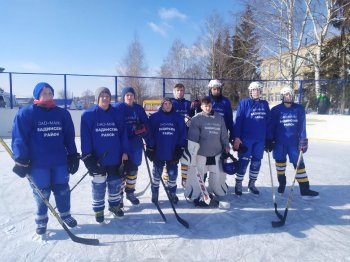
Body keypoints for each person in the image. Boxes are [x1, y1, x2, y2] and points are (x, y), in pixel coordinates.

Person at [11, 82, 80, 235]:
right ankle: (41, 220)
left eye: (50, 93)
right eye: (44, 93)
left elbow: (69, 137)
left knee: (62, 189)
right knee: (42, 193)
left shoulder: (62, 114)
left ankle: (65, 215)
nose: (48, 96)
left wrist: (73, 155)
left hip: (59, 161)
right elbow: (19, 138)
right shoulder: (26, 113)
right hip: (38, 164)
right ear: (37, 95)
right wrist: (21, 159)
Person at [81, 87, 129, 223]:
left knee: (115, 183)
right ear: (97, 98)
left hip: (115, 156)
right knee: (99, 184)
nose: (105, 98)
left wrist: (125, 151)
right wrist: (88, 157)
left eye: (107, 95)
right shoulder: (88, 115)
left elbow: (123, 134)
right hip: (98, 159)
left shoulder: (117, 114)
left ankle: (114, 206)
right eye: (102, 95)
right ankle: (99, 210)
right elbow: (85, 138)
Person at [267, 86, 319, 199]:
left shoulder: (299, 109)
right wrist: (269, 139)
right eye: (286, 94)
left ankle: (305, 190)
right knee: (280, 167)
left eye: (290, 94)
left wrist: (303, 140)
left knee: (300, 166)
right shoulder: (275, 110)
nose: (289, 96)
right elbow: (271, 126)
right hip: (279, 143)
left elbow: (302, 127)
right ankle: (281, 185)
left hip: (294, 144)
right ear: (282, 96)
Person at [183, 97, 230, 207]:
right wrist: (192, 153)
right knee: (197, 176)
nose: (207, 108)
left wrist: (226, 145)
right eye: (205, 106)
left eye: (209, 106)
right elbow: (193, 137)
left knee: (217, 175)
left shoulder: (219, 118)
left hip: (216, 153)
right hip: (201, 154)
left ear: (212, 105)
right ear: (201, 107)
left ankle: (216, 189)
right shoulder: (197, 118)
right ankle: (194, 194)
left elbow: (223, 134)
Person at [115, 87, 151, 205]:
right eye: (127, 95)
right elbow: (117, 126)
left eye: (131, 95)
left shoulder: (138, 108)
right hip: (122, 145)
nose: (129, 97)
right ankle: (119, 196)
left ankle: (130, 192)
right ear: (123, 96)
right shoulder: (118, 108)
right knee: (121, 171)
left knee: (133, 169)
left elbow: (146, 124)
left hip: (136, 144)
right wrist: (132, 129)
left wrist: (142, 129)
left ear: (134, 96)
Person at [146, 97, 186, 204]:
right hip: (159, 150)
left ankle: (172, 193)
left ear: (172, 105)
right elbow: (149, 133)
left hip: (172, 151)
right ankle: (155, 193)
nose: (167, 105)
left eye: (169, 103)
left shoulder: (178, 117)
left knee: (172, 174)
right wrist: (150, 147)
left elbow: (183, 133)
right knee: (157, 173)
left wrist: (180, 147)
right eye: (165, 104)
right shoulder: (155, 117)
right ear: (162, 105)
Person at [233, 82, 270, 196]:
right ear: (250, 91)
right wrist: (237, 137)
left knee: (256, 162)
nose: (256, 92)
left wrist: (269, 139)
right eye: (254, 90)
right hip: (246, 139)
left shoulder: (264, 104)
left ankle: (252, 183)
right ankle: (239, 183)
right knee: (243, 162)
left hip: (260, 139)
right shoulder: (244, 103)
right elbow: (238, 121)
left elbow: (268, 122)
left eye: (258, 90)